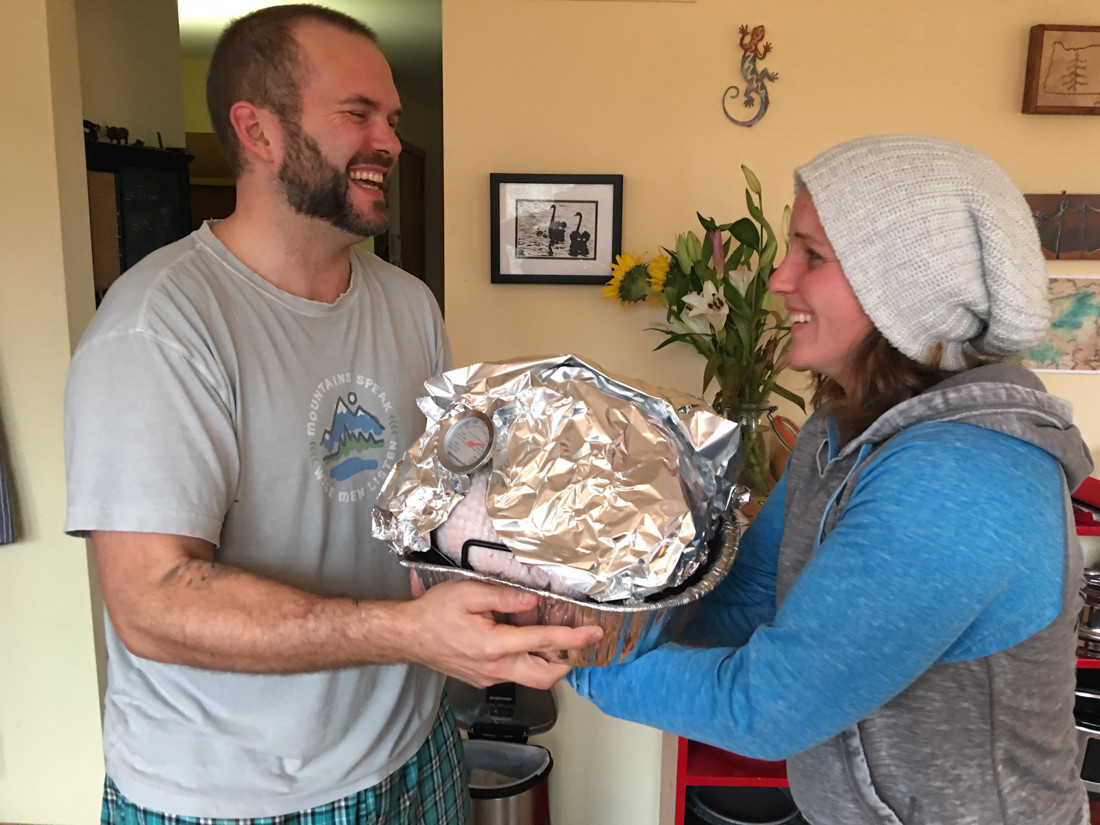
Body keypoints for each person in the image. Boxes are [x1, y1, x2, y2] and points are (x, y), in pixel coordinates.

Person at [63, 5, 601, 823]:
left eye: (393, 119)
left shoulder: (409, 304)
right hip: (234, 797)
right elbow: (152, 605)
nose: (389, 141)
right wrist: (412, 633)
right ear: (257, 130)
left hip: (413, 747)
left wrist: (543, 570)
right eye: (358, 113)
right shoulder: (160, 326)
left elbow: (436, 504)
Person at [568, 135, 1094, 825]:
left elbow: (765, 708)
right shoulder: (835, 428)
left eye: (811, 256)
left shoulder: (962, 473)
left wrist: (562, 657)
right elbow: (752, 595)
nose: (779, 279)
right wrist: (587, 614)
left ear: (900, 289)